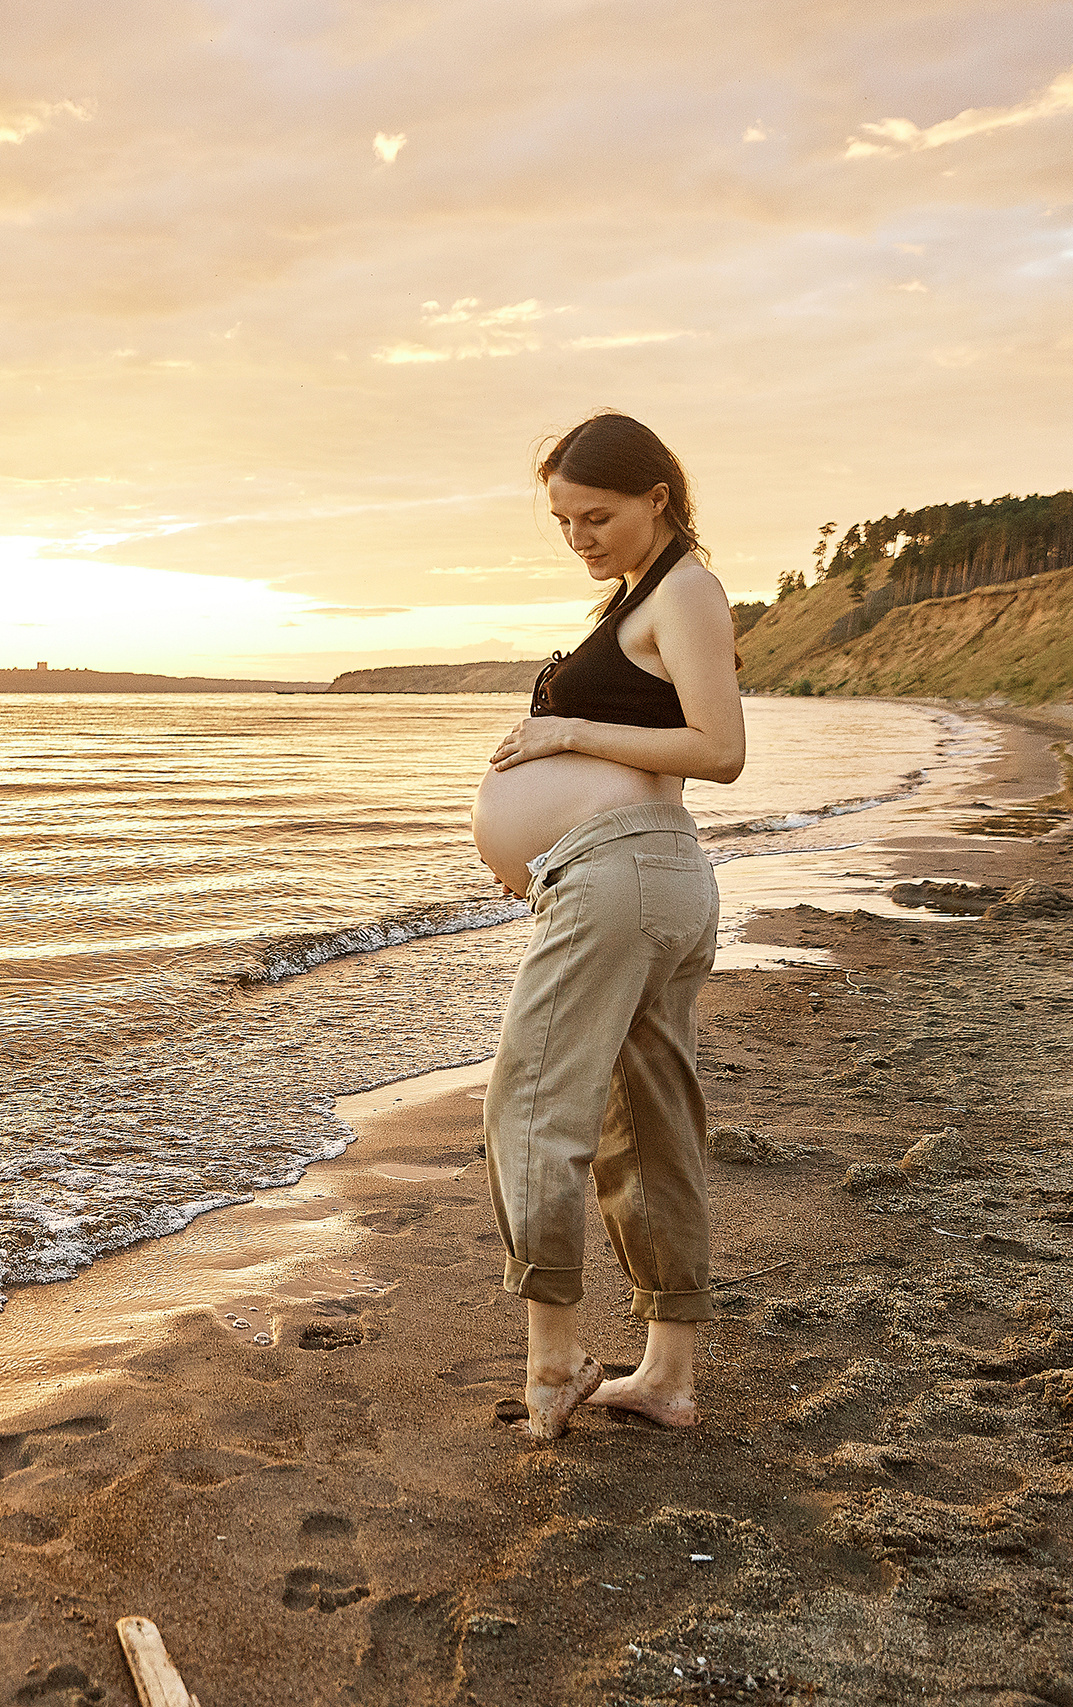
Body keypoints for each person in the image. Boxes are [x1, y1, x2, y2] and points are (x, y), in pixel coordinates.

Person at [468, 411, 745, 1442]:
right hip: (625, 875)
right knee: (648, 1119)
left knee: (530, 1100)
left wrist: (565, 731)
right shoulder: (638, 596)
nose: (578, 537)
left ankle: (553, 1358)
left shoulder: (685, 588)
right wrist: (541, 855)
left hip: (627, 874)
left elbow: (719, 748)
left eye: (596, 515)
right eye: (562, 521)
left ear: (657, 498)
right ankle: (667, 1377)